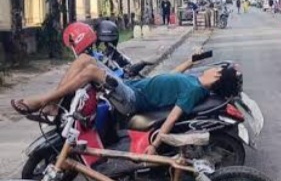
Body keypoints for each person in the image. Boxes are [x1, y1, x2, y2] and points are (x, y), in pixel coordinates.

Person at [11, 41, 239, 155]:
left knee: (91, 72)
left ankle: (42, 101)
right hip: (131, 85)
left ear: (217, 75)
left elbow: (172, 117)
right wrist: (190, 60)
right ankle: (52, 105)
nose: (213, 67)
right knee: (83, 60)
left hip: (132, 100)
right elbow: (173, 75)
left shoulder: (194, 91)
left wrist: (155, 145)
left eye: (217, 68)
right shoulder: (194, 80)